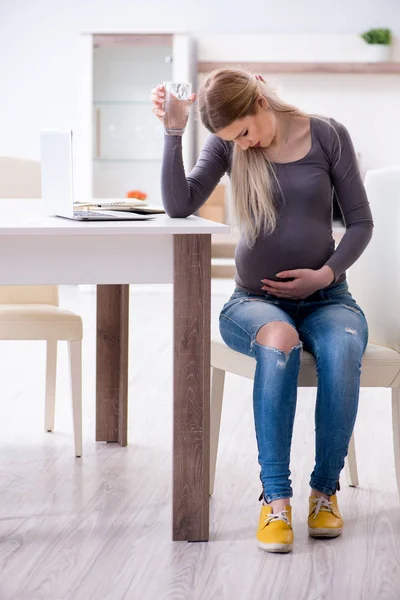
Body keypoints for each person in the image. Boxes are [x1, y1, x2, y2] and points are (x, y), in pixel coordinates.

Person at [151, 69, 373, 553]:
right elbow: (178, 204)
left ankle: (324, 492)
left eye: (245, 132)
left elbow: (360, 223)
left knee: (343, 349)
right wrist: (173, 132)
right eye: (235, 140)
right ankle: (275, 500)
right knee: (278, 341)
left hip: (328, 298)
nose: (244, 146)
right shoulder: (229, 145)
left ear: (260, 102)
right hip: (254, 303)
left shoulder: (328, 135)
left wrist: (326, 274)